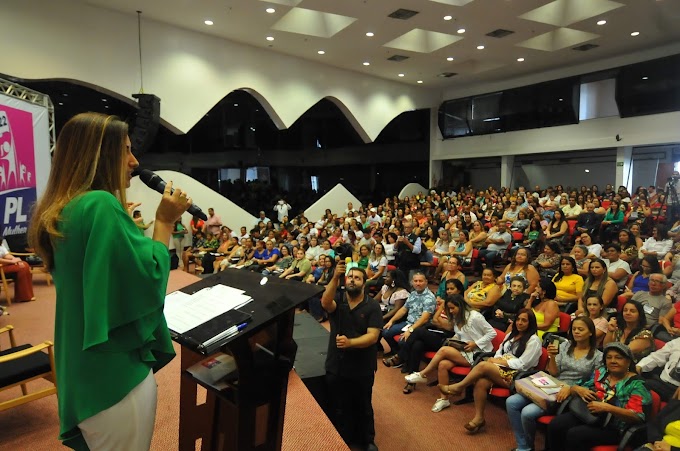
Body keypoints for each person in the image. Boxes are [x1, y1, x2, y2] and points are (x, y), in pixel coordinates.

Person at [27, 112, 191, 450]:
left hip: (81, 365)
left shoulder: (63, 208)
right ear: (98, 155)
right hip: (113, 374)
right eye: (125, 151)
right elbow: (147, 280)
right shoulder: (100, 204)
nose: (134, 161)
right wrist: (163, 221)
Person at [438, 309, 542, 434]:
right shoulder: (511, 334)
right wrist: (496, 359)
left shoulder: (534, 340)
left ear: (531, 323)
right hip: (501, 369)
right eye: (518, 319)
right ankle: (479, 418)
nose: (519, 323)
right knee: (481, 382)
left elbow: (523, 364)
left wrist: (498, 362)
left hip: (518, 376)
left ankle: (459, 387)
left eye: (524, 320)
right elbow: (500, 350)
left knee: (483, 366)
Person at [507, 317, 602, 451]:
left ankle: (526, 448)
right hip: (552, 384)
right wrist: (552, 357)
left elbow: (593, 382)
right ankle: (524, 445)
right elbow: (553, 372)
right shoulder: (565, 346)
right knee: (511, 402)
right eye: (574, 329)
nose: (576, 332)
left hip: (570, 393)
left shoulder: (598, 356)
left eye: (581, 329)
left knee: (527, 413)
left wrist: (571, 388)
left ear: (591, 332)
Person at [546, 342, 652, 451]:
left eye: (618, 358)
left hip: (615, 427)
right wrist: (577, 389)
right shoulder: (601, 372)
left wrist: (607, 407)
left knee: (575, 435)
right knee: (556, 425)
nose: (613, 361)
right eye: (609, 357)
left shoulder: (638, 384)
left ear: (628, 361)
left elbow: (638, 417)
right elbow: (576, 386)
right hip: (589, 414)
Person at [321, 262, 381, 451]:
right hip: (336, 364)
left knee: (363, 404)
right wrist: (334, 278)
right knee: (339, 404)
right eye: (350, 277)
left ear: (364, 283)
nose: (352, 280)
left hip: (362, 365)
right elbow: (325, 302)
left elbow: (373, 337)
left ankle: (367, 440)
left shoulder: (372, 306)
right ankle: (342, 438)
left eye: (357, 278)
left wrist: (351, 343)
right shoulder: (338, 299)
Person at [404, 294, 496, 411]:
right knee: (443, 365)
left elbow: (492, 333)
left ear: (461, 306)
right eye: (449, 309)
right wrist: (454, 339)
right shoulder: (457, 317)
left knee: (443, 350)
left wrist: (476, 343)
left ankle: (423, 374)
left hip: (479, 353)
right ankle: (444, 399)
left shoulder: (475, 317)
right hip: (464, 350)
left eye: (453, 308)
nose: (451, 311)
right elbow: (460, 334)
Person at [382, 271, 436, 360]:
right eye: (415, 281)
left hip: (420, 327)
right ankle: (397, 354)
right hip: (408, 323)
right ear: (412, 282)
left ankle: (401, 358)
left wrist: (410, 330)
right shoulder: (413, 294)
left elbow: (424, 319)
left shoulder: (429, 298)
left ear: (426, 282)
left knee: (403, 340)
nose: (418, 283)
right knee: (385, 331)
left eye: (420, 281)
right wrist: (391, 321)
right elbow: (403, 309)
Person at [637, 337, 680, 401]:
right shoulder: (676, 342)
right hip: (662, 383)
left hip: (676, 389)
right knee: (636, 386)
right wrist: (640, 366)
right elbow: (656, 357)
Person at [0, 237, 35, 302]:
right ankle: (23, 297)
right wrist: (11, 262)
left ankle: (26, 296)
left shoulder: (0, 243)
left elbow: (6, 254)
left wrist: (15, 260)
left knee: (24, 264)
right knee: (22, 268)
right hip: (1, 267)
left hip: (4, 265)